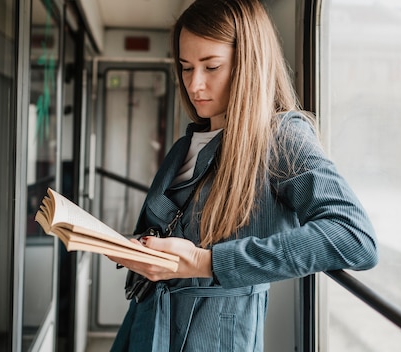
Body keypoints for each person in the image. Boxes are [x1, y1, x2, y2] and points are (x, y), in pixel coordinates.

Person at [108, 0, 379, 350]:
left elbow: (354, 237)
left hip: (213, 333)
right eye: (186, 68)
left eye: (212, 67)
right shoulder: (185, 144)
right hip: (148, 319)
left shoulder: (281, 137)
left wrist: (205, 262)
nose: (194, 85)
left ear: (249, 65)